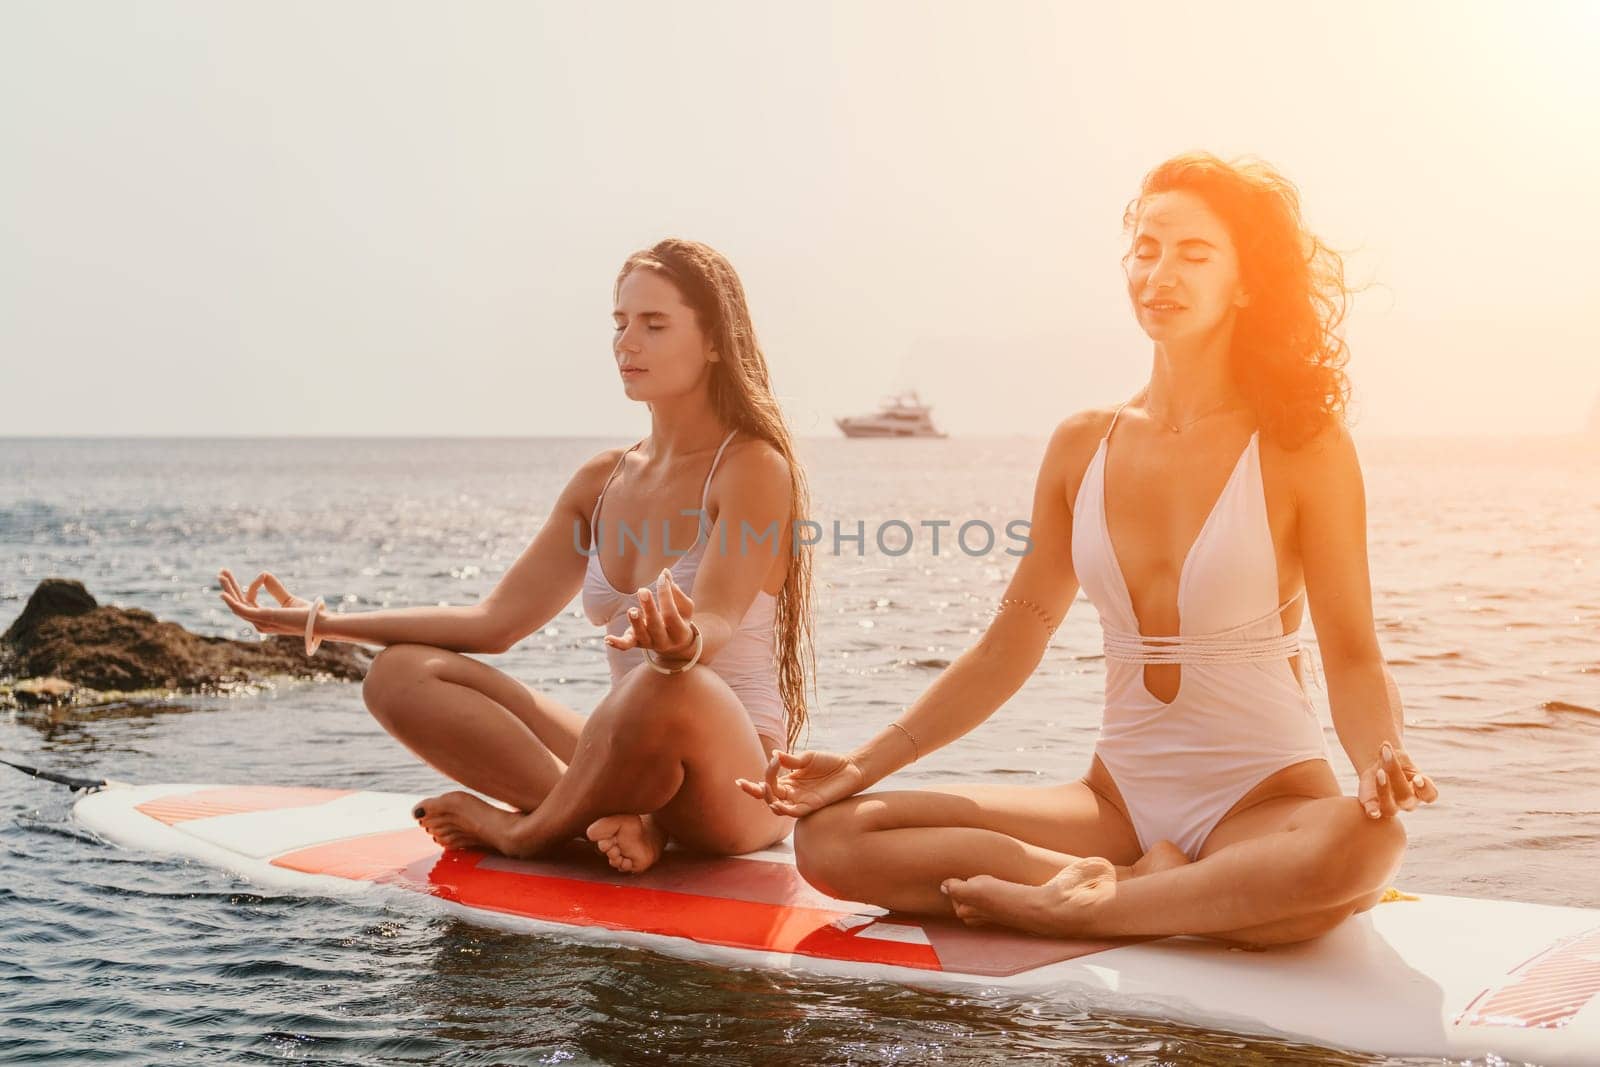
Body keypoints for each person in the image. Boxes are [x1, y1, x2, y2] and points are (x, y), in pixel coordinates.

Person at [741, 153, 1438, 947]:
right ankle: (1157, 889)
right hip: (1114, 804)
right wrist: (862, 765)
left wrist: (1382, 755)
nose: (1160, 272)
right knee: (832, 836)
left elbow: (1352, 652)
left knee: (1367, 842)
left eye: (1194, 253)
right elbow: (1013, 641)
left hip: (1263, 800)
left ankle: (1090, 906)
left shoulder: (1300, 446)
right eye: (1146, 248)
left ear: (1247, 282)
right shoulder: (1082, 445)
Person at [221, 238, 814, 876]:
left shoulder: (752, 467)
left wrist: (683, 642)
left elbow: (719, 619)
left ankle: (527, 833)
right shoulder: (602, 482)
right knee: (397, 675)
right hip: (629, 763)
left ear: (716, 342)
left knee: (666, 682)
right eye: (619, 323)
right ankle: (615, 825)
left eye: (654, 324)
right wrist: (320, 624)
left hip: (739, 787)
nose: (626, 343)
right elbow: (493, 623)